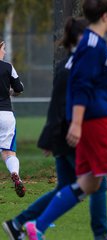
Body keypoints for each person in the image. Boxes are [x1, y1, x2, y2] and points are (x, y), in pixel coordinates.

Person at [23, 0, 107, 239]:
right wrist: (78, 123)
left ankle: (36, 227)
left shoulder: (94, 44)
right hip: (99, 121)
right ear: (105, 15)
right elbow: (80, 85)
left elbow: (106, 88)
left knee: (90, 182)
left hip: (98, 119)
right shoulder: (92, 45)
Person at [2, 17, 107, 240]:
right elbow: (65, 105)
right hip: (72, 136)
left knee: (64, 188)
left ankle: (18, 224)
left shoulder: (65, 66)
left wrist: (49, 138)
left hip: (61, 136)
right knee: (97, 182)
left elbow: (56, 104)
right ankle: (101, 236)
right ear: (81, 38)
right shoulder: (78, 67)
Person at [0, 39, 26, 198]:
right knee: (9, 153)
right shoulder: (8, 67)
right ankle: (15, 174)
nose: (5, 51)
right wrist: (9, 91)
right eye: (3, 48)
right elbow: (19, 88)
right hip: (5, 115)